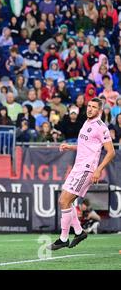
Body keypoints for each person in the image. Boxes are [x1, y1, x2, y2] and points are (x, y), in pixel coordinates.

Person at [47, 98, 115, 250]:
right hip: (77, 167)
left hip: (87, 169)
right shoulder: (86, 122)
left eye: (94, 107)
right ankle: (78, 232)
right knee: (64, 201)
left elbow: (111, 152)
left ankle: (63, 238)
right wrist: (70, 147)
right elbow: (85, 146)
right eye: (89, 106)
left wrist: (98, 169)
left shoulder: (101, 127)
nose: (90, 109)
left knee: (64, 201)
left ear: (100, 110)